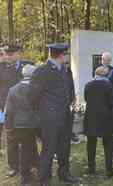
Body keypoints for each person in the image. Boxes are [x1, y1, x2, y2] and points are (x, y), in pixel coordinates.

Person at [29, 43, 79, 186]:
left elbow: (70, 90)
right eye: (66, 54)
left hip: (65, 116)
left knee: (64, 148)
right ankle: (44, 179)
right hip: (49, 119)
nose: (68, 56)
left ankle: (64, 174)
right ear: (60, 55)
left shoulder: (66, 70)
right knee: (48, 150)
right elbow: (32, 96)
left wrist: (70, 103)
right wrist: (44, 112)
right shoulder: (42, 71)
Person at [0, 44, 36, 177]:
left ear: (18, 54)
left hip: (27, 109)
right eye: (7, 54)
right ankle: (13, 166)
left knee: (29, 138)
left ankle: (32, 162)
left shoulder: (28, 66)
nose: (8, 57)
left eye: (11, 54)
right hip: (8, 107)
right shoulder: (1, 67)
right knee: (11, 137)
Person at [4, 64, 40, 186]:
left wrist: (8, 126)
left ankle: (26, 176)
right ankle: (36, 172)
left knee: (25, 148)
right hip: (36, 123)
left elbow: (9, 110)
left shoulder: (13, 89)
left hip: (20, 124)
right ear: (34, 74)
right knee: (41, 146)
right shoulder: (37, 88)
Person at [84, 66, 113, 177]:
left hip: (91, 117)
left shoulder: (88, 85)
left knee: (91, 144)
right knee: (108, 144)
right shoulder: (109, 86)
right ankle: (109, 170)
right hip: (106, 118)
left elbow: (86, 99)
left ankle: (91, 168)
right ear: (106, 75)